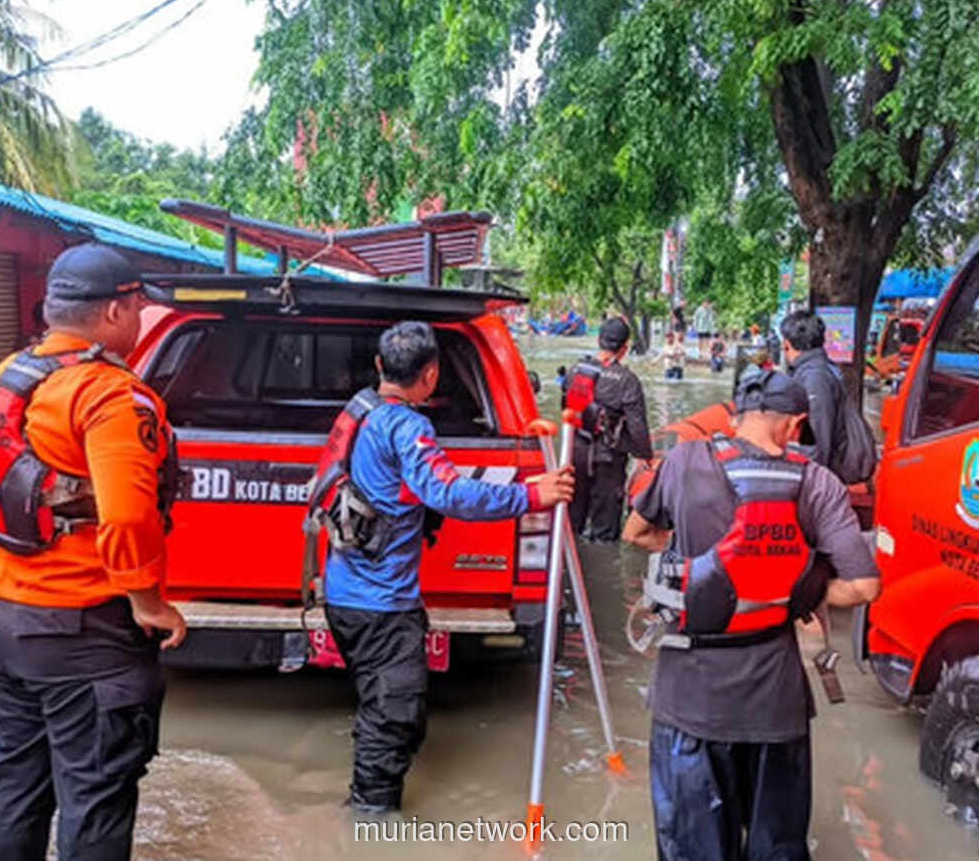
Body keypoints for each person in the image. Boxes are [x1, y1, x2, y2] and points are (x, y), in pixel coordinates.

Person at [0, 243, 186, 860]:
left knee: (17, 777)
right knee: (95, 794)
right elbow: (127, 515)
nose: (142, 320)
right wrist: (149, 603)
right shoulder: (110, 396)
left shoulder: (3, 378)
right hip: (79, 630)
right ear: (116, 311)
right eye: (139, 307)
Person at [315, 321, 574, 813]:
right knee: (393, 719)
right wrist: (532, 494)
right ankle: (369, 823)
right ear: (432, 375)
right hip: (381, 607)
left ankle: (367, 808)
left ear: (378, 367)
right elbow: (448, 492)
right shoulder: (408, 427)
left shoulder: (359, 410)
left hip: (345, 593)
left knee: (387, 711)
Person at [623, 370, 879, 861]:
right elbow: (865, 586)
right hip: (776, 707)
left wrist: (691, 562)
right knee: (776, 849)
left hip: (689, 702)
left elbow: (635, 532)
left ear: (735, 415)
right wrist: (792, 589)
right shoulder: (818, 483)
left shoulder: (681, 461)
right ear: (796, 423)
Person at [569, 316, 653, 542]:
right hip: (608, 459)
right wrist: (645, 456)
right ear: (624, 348)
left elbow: (567, 410)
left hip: (575, 455)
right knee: (605, 531)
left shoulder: (576, 370)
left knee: (571, 523)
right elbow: (637, 425)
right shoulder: (627, 380)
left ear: (599, 340)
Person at [780, 309, 843, 474]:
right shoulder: (818, 368)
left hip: (817, 471)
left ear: (786, 344)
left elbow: (819, 437)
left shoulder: (815, 377)